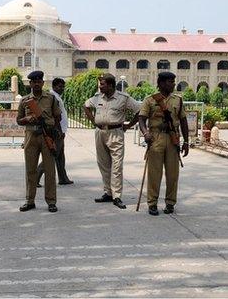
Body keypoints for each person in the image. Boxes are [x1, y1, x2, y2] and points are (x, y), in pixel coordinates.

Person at [84, 73, 140, 209]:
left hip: (116, 133)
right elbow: (86, 106)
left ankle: (116, 196)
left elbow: (140, 111)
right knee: (103, 164)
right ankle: (108, 192)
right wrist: (93, 120)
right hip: (100, 133)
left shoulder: (123, 98)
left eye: (102, 84)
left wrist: (129, 125)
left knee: (116, 166)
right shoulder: (97, 98)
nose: (100, 87)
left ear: (110, 85)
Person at [138, 72, 189, 215]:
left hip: (173, 138)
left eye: (173, 81)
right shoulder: (150, 100)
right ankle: (152, 203)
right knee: (154, 173)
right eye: (169, 82)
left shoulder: (178, 100)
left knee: (173, 174)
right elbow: (142, 118)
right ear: (160, 83)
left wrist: (186, 141)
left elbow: (183, 121)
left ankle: (170, 203)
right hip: (156, 138)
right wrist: (145, 133)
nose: (173, 84)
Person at [17, 70, 62, 213]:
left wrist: (56, 134)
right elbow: (18, 120)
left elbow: (57, 117)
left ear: (42, 83)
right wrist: (27, 119)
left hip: (46, 135)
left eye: (39, 81)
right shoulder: (24, 100)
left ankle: (51, 201)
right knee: (30, 170)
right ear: (30, 84)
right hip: (31, 135)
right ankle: (29, 201)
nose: (36, 84)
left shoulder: (51, 98)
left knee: (49, 170)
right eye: (33, 82)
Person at [35, 77, 74, 187]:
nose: (62, 89)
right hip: (57, 131)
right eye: (60, 87)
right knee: (52, 154)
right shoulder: (53, 98)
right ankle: (35, 177)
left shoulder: (56, 97)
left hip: (60, 130)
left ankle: (63, 177)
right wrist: (58, 130)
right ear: (54, 86)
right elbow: (56, 116)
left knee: (60, 155)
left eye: (63, 87)